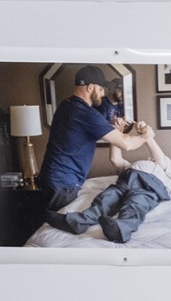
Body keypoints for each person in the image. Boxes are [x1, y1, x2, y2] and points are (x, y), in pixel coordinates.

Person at [44, 122, 171, 243]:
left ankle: (121, 229)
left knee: (136, 204)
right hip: (124, 182)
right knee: (104, 200)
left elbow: (158, 156)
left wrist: (147, 136)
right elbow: (115, 159)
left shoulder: (163, 167)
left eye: (151, 158)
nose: (149, 157)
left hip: (148, 186)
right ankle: (77, 222)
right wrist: (118, 134)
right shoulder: (132, 165)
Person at [36, 65, 150, 213]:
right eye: (101, 89)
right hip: (63, 183)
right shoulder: (85, 113)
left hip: (53, 178)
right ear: (90, 87)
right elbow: (126, 144)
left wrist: (109, 125)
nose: (103, 94)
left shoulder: (67, 105)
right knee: (62, 225)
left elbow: (78, 131)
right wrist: (146, 136)